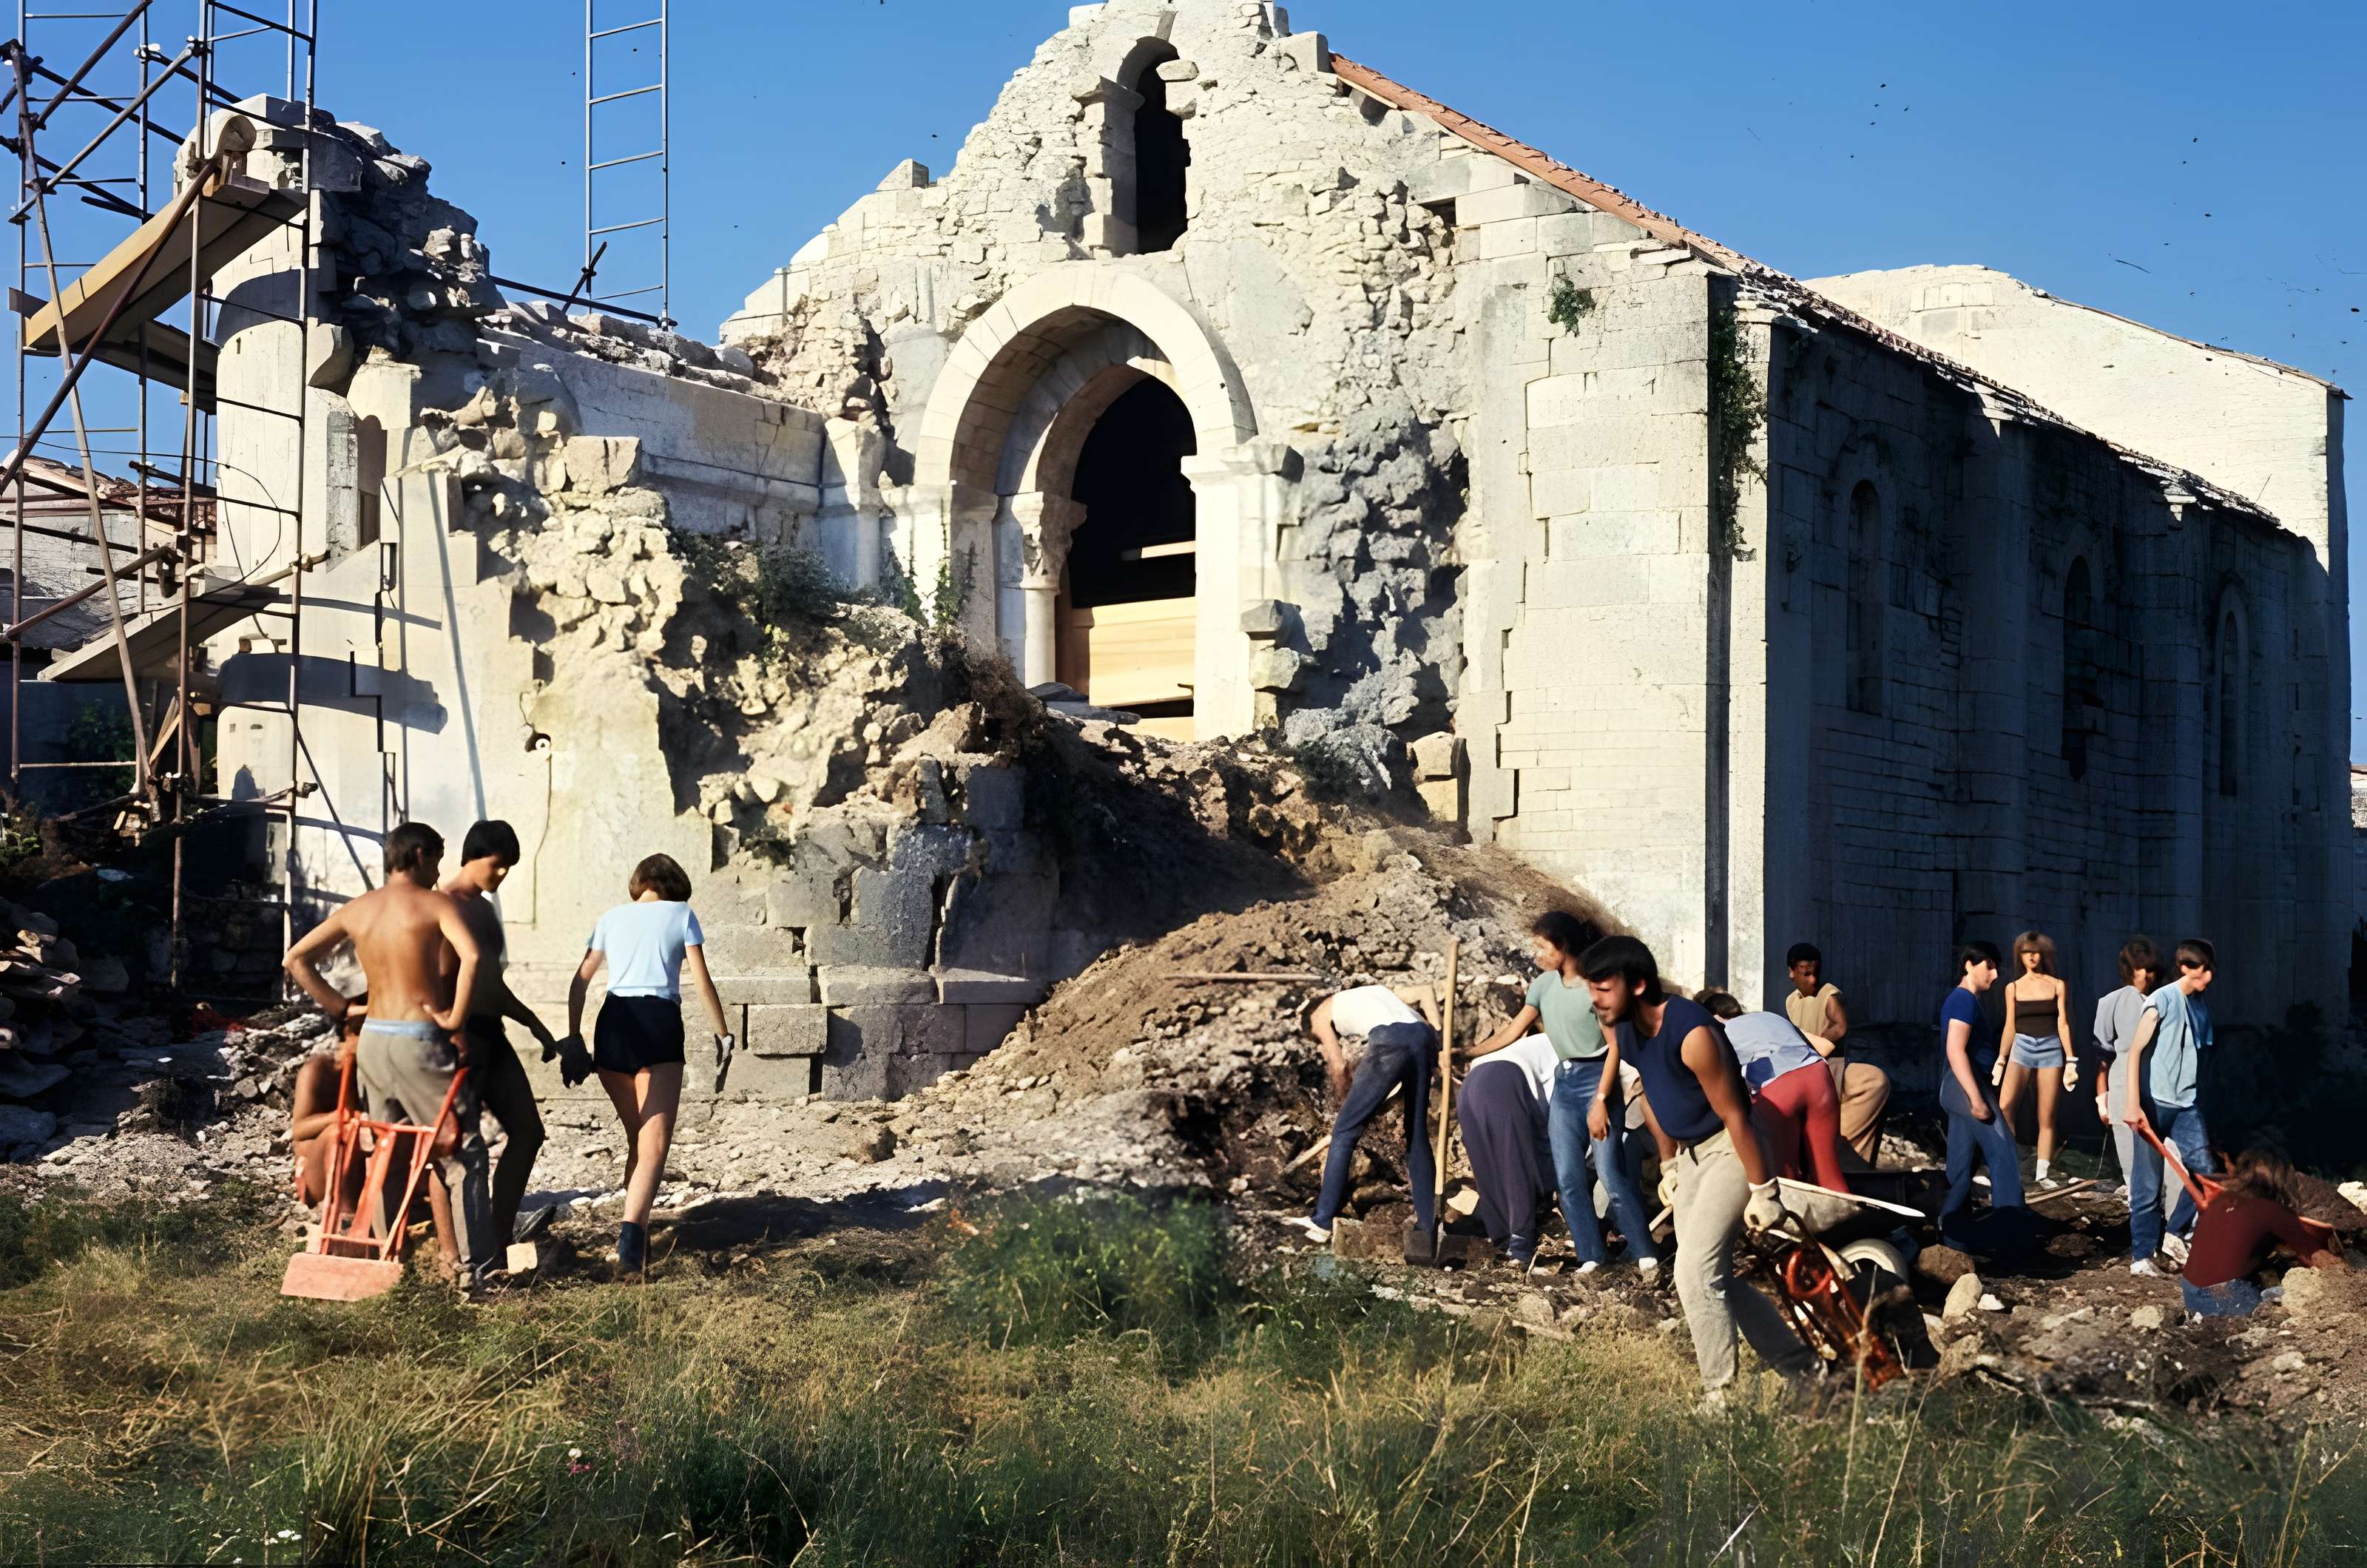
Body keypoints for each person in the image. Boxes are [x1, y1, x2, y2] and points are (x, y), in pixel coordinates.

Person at [1580, 936, 1814, 1399]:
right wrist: (1668, 1164)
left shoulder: (1693, 1034)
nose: (1595, 1001)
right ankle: (1802, 1370)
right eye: (1592, 990)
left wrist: (1764, 1190)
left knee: (1692, 1273)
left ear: (1639, 984)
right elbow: (1649, 1091)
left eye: (1603, 990)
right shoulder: (1625, 1028)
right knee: (1713, 1276)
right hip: (1689, 1156)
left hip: (1730, 1149)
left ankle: (1720, 1398)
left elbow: (1736, 1116)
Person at [283, 822, 497, 1285]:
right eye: (437, 859)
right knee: (462, 1149)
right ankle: (477, 1269)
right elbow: (473, 957)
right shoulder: (435, 904)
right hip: (418, 1038)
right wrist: (456, 1018)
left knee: (389, 1148)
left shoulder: (359, 909)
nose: (439, 872)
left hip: (375, 1039)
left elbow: (295, 959)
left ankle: (386, 1264)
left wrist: (342, 1008)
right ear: (419, 854)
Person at [565, 853, 731, 1274]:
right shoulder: (682, 913)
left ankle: (633, 1235)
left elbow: (580, 980)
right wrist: (723, 1032)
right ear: (675, 884)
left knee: (638, 1137)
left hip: (613, 1021)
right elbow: (700, 977)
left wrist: (574, 1038)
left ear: (639, 882)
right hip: (657, 1019)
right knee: (655, 1143)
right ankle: (631, 1244)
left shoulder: (611, 917)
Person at [1469, 910, 1659, 1278]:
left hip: (1597, 1080)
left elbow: (1615, 1047)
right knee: (1567, 1177)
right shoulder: (1541, 986)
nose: (1536, 952)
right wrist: (1467, 1053)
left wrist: (1602, 1100)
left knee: (1609, 1171)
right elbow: (1512, 1032)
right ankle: (1591, 1255)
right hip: (1566, 1083)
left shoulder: (1593, 986)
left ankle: (1643, 1251)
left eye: (1542, 945)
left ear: (1564, 946)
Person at [442, 820, 569, 1247]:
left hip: (491, 1033)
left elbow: (490, 982)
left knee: (529, 1131)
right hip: (459, 1037)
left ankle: (497, 1234)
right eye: (497, 865)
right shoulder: (445, 904)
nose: (502, 875)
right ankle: (460, 1243)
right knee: (461, 1145)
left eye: (509, 868)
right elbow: (444, 979)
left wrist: (532, 1022)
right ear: (473, 856)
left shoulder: (481, 906)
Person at [1291, 979, 1442, 1248]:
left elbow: (1338, 1066)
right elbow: (1419, 1026)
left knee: (1344, 1132)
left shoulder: (1317, 1015)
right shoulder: (1370, 993)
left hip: (1390, 1041)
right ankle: (1427, 1229)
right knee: (1416, 1134)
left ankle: (1322, 1222)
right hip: (1424, 1037)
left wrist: (1344, 1103)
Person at [2122, 939, 2220, 1276]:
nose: (2206, 976)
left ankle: (2175, 1233)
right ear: (2184, 968)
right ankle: (2142, 1257)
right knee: (2148, 1183)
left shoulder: (2202, 1007)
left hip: (2187, 1104)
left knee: (2206, 1173)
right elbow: (2134, 1052)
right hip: (2153, 1101)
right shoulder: (2162, 999)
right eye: (2199, 970)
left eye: (2209, 969)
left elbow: (2202, 1060)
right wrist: (2132, 1104)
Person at [1695, 989, 1850, 1193]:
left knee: (1787, 1180)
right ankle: (1846, 1219)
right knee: (1828, 1176)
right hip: (1818, 1076)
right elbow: (1817, 1048)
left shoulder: (1717, 1033)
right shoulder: (1770, 1016)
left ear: (1712, 1015)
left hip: (1779, 1090)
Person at [2179, 1147, 2347, 1318]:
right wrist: (2353, 1277)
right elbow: (2319, 1258)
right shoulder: (2273, 1212)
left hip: (2190, 1290)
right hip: (2221, 1299)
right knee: (2279, 1301)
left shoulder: (2224, 1199)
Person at [1937, 941, 2024, 1251]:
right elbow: (1955, 1050)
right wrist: (1976, 1099)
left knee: (1960, 1169)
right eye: (1988, 966)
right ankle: (2010, 1237)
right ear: (1969, 965)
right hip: (1966, 1087)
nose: (1995, 974)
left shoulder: (1964, 1000)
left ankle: (1952, 1236)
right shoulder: (1963, 1001)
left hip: (1957, 1088)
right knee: (2003, 1155)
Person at [1455, 1027, 1559, 1268]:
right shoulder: (1580, 1052)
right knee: (1515, 1160)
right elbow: (1555, 1119)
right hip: (1502, 1081)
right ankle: (1521, 1243)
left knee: (1487, 1166)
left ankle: (1501, 1237)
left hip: (1470, 1085)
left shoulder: (1544, 1041)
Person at [1783, 944, 1891, 1165]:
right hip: (1805, 1070)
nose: (1812, 980)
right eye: (1806, 974)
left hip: (1832, 1067)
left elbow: (1840, 1026)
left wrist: (1819, 1041)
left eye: (1816, 973)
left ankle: (1850, 1167)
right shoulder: (1791, 1001)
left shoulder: (1830, 995)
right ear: (1792, 972)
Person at [1996, 931, 2076, 1188]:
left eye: (2036, 951)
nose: (2031, 956)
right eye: (2026, 951)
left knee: (2047, 1114)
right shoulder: (2014, 987)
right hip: (2021, 1045)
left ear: (2043, 954)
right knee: (2005, 1105)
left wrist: (2071, 1059)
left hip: (2051, 1047)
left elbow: (2063, 1023)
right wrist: (2001, 1058)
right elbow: (2010, 1025)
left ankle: (2043, 1171)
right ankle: (2008, 1163)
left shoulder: (2057, 985)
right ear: (2019, 955)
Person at [2090, 937, 2162, 1196]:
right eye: (2145, 968)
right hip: (2122, 1076)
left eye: (2153, 969)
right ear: (2132, 969)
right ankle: (2134, 1189)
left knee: (2152, 1137)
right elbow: (2103, 1054)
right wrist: (2102, 1097)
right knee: (2125, 1133)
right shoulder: (2112, 1001)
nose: (2150, 975)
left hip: (2152, 1076)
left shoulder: (2159, 1000)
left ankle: (2150, 1191)